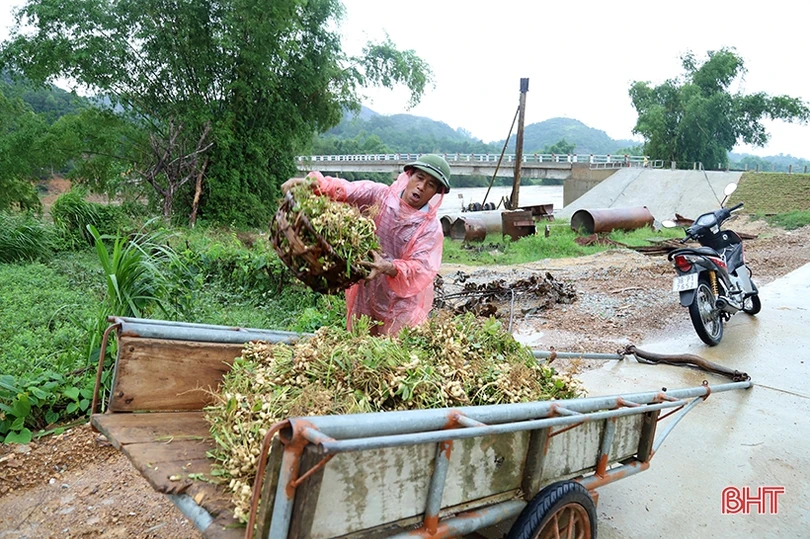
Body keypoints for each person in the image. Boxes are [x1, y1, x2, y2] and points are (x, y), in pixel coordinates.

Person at [281, 154, 452, 336]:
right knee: (360, 345)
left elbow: (421, 268)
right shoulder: (380, 196)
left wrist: (388, 266)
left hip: (401, 302)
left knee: (392, 354)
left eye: (431, 185)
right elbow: (345, 190)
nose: (422, 186)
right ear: (409, 176)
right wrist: (311, 184)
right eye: (419, 178)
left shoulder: (430, 229)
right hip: (367, 288)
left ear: (436, 192)